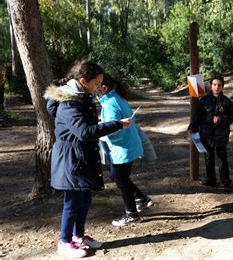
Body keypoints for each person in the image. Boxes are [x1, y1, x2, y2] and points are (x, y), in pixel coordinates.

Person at [44, 60, 133, 258]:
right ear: (83, 81)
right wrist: (116, 124)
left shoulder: (81, 96)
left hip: (80, 157)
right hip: (70, 160)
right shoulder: (70, 102)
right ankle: (64, 242)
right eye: (96, 83)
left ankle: (78, 236)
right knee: (73, 202)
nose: (99, 88)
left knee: (84, 198)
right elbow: (84, 132)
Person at [98, 74, 153, 227]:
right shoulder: (116, 98)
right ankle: (141, 198)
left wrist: (100, 134)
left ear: (104, 87)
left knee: (119, 178)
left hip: (123, 147)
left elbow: (114, 131)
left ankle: (132, 214)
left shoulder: (110, 103)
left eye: (97, 85)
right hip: (129, 145)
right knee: (119, 177)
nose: (95, 89)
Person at [188, 75, 233, 191]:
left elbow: (232, 116)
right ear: (211, 85)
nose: (217, 87)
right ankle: (211, 180)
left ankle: (226, 182)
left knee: (222, 158)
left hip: (221, 134)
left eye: (219, 85)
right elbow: (198, 116)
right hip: (206, 134)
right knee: (208, 157)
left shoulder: (226, 102)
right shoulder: (204, 100)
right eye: (214, 84)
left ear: (222, 87)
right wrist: (192, 128)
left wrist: (221, 120)